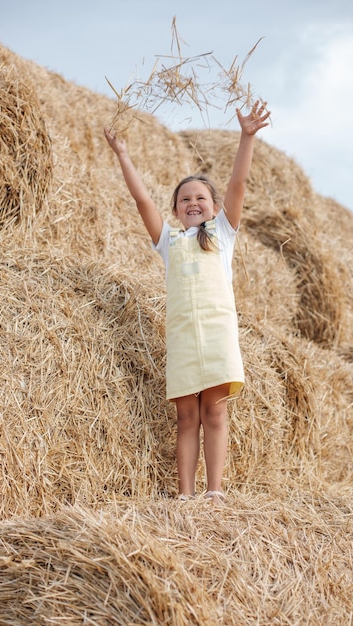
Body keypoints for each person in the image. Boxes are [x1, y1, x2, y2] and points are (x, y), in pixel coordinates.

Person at [104, 101, 270, 504]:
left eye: (200, 198)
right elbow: (143, 201)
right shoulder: (170, 242)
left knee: (214, 413)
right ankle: (185, 495)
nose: (192, 202)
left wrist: (247, 137)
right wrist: (124, 155)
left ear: (214, 208)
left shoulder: (222, 235)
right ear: (176, 211)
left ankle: (214, 491)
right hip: (181, 338)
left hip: (216, 335)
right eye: (184, 200)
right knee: (186, 417)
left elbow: (238, 185)